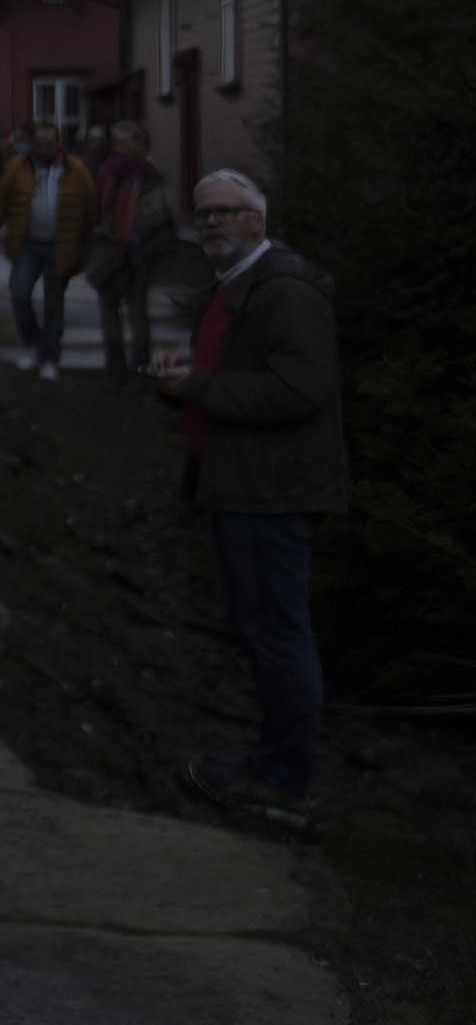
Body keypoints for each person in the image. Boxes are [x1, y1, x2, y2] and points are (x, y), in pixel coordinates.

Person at [150, 170, 347, 832]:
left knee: (279, 635)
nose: (212, 224)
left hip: (273, 492)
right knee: (262, 630)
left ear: (257, 220)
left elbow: (299, 393)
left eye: (227, 213)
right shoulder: (241, 285)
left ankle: (285, 779)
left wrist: (199, 388)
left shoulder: (285, 292)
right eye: (203, 214)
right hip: (243, 485)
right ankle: (273, 759)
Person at [0, 118, 97, 378]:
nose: (44, 147)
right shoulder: (17, 168)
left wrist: (85, 246)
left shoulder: (76, 170)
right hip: (27, 244)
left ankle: (50, 356)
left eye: (50, 142)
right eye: (40, 142)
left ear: (58, 143)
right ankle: (34, 344)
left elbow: (90, 209)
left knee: (54, 305)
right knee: (19, 293)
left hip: (62, 245)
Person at [91, 119, 177, 384]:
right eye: (115, 142)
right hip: (109, 251)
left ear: (139, 144)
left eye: (123, 142)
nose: (117, 148)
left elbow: (157, 215)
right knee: (109, 309)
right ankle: (114, 370)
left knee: (137, 311)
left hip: (138, 253)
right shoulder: (107, 171)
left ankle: (139, 369)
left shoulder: (149, 175)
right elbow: (97, 210)